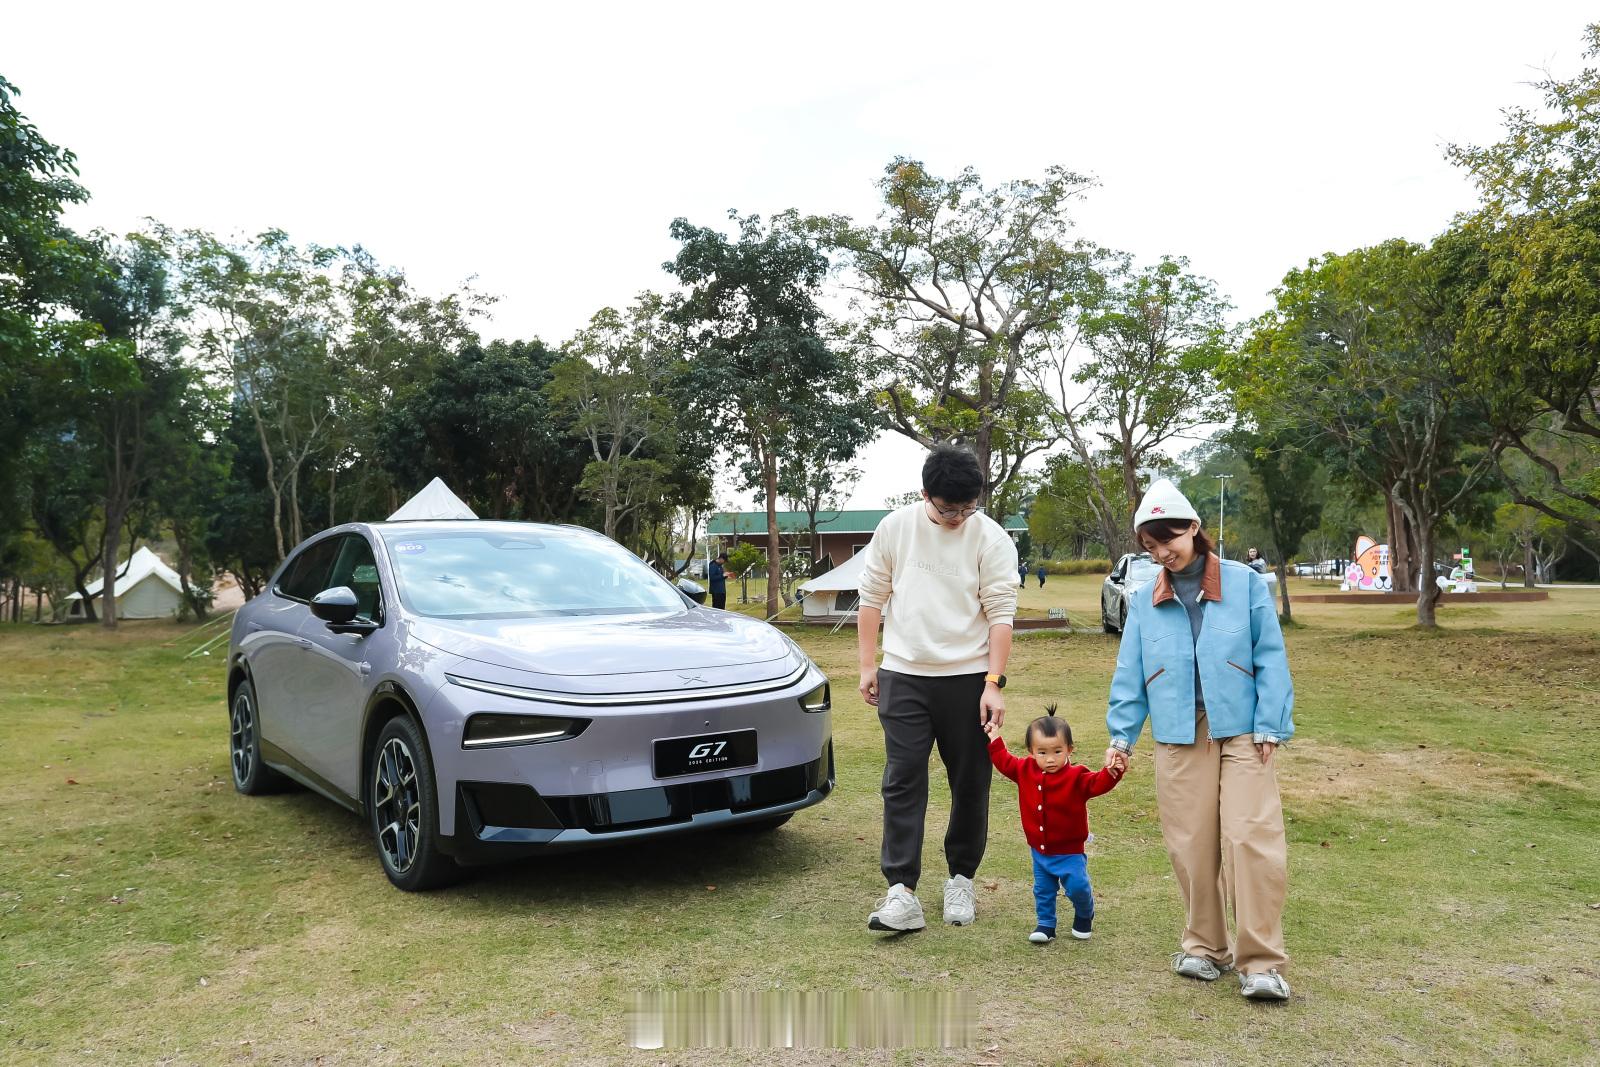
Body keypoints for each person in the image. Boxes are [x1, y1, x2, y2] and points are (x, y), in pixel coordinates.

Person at [1104, 478, 1295, 1002]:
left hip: (1244, 730)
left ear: (1194, 528)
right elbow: (1131, 673)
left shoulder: (1245, 583)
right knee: (1190, 843)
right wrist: (1121, 737)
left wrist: (1271, 723)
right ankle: (1206, 947)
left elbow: (1270, 656)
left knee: (1249, 838)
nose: (1161, 553)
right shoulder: (1144, 600)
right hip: (1177, 732)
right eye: (1150, 545)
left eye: (1168, 539)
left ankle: (1261, 963)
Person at [857, 444, 1019, 933]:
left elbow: (1001, 615)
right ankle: (901, 891)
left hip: (969, 679)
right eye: (949, 509)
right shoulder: (896, 527)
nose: (958, 518)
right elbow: (872, 598)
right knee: (902, 779)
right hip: (904, 674)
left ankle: (961, 878)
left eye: (968, 508)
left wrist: (993, 683)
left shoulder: (990, 537)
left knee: (970, 781)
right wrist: (867, 665)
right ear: (925, 494)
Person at [984, 704, 1123, 944]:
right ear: (1031, 751)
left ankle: (1084, 913)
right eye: (1042, 752)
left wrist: (1113, 772)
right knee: (1043, 890)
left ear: (1069, 749)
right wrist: (995, 738)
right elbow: (1003, 761)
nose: (1050, 759)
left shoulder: (1076, 777)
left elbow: (1098, 783)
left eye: (1057, 751)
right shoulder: (1024, 769)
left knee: (1077, 887)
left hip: (1070, 852)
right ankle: (1046, 924)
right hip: (1039, 850)